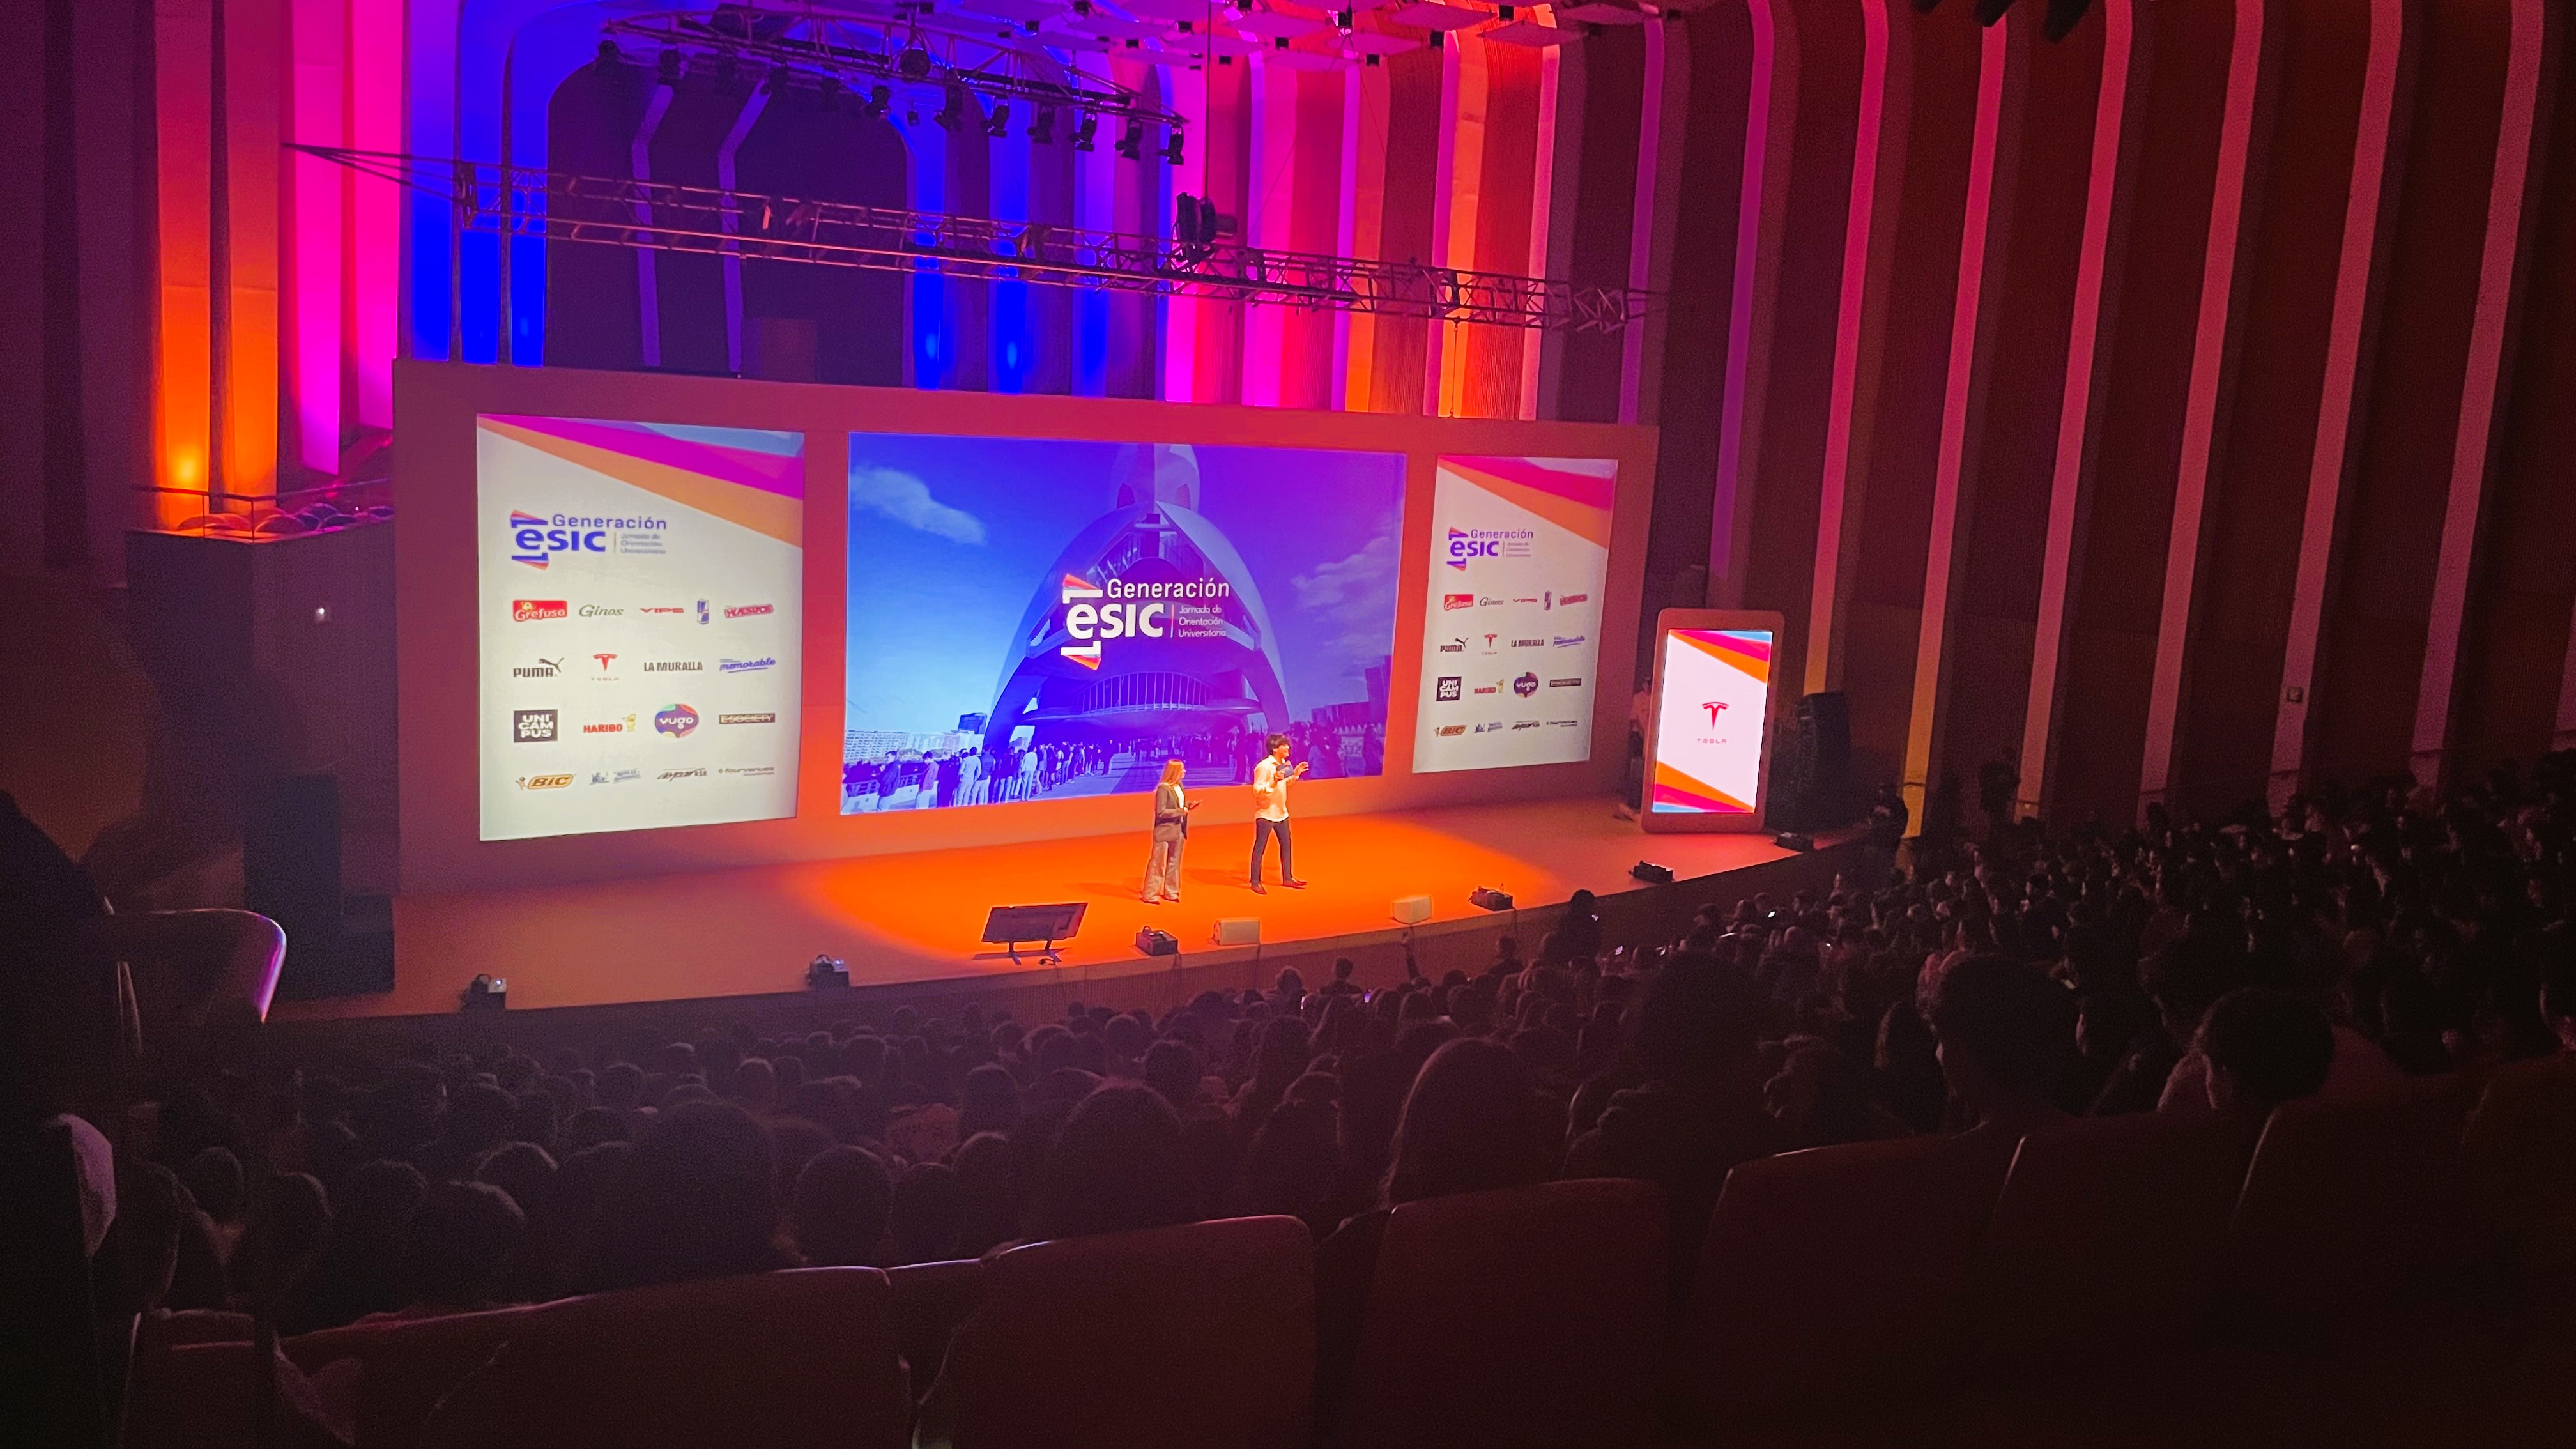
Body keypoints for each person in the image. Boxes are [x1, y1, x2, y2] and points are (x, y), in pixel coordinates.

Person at [1248, 733, 1308, 894]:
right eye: (1284, 745)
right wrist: (1273, 781)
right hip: (1266, 813)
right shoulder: (1264, 767)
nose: (1288, 747)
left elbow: (1285, 783)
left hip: (1282, 813)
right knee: (1260, 848)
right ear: (1275, 749)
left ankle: (1288, 878)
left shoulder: (1282, 764)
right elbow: (1257, 791)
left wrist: (1295, 774)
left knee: (1286, 845)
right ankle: (1255, 882)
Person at [1144, 759, 1197, 904]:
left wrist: (1188, 806)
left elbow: (1178, 805)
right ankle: (1151, 894)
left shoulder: (1179, 786)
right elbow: (1161, 812)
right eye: (1182, 769)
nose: (1185, 771)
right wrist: (1181, 811)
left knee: (1174, 863)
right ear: (1174, 772)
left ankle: (1172, 892)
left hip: (1179, 830)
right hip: (1164, 832)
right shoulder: (1163, 789)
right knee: (1158, 863)